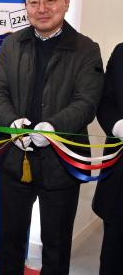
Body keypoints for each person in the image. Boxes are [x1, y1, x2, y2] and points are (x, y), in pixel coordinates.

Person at [0, 0, 104, 274]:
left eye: (50, 0)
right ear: (25, 6)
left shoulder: (86, 48)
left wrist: (52, 127)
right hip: (16, 160)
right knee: (10, 241)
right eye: (33, 2)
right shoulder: (12, 44)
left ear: (66, 3)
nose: (42, 9)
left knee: (56, 245)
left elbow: (86, 102)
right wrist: (11, 123)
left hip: (62, 163)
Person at [93, 44, 123, 275]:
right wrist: (118, 125)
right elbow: (105, 99)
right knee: (113, 258)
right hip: (119, 183)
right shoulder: (121, 52)